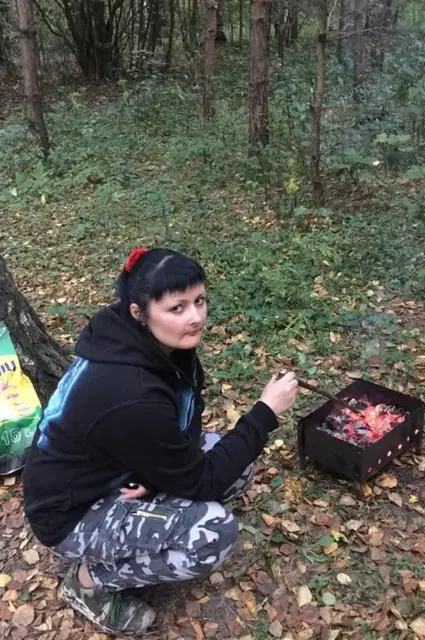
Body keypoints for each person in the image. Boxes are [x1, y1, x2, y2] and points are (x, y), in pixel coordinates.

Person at [22, 247, 298, 634]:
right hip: (69, 514)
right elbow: (203, 479)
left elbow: (186, 421)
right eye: (177, 308)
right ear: (139, 311)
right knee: (214, 533)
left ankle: (151, 522)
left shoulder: (151, 344)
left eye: (199, 301)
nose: (195, 317)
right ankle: (87, 582)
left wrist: (153, 479)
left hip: (111, 473)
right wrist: (265, 412)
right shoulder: (129, 390)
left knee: (237, 467)